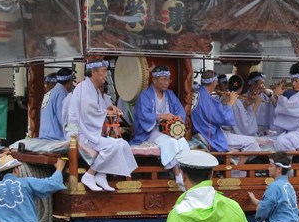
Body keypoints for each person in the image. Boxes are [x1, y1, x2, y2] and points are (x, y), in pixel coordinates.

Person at [65, 59, 137, 192]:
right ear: (93, 72)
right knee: (114, 146)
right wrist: (106, 112)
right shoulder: (83, 88)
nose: (105, 75)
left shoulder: (95, 90)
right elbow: (88, 112)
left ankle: (101, 175)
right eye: (103, 71)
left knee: (122, 144)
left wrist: (109, 108)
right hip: (79, 134)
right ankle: (90, 174)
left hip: (89, 132)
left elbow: (99, 109)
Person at [131, 65, 190, 189]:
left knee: (182, 141)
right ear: (154, 80)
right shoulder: (145, 95)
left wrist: (178, 117)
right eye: (163, 79)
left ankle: (185, 173)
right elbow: (143, 115)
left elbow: (180, 110)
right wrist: (162, 116)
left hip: (167, 130)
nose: (166, 82)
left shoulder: (170, 94)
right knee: (170, 142)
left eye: (168, 79)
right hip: (150, 131)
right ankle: (178, 175)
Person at [191, 70, 260, 158]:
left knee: (242, 146)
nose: (217, 84)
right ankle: (236, 166)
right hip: (210, 134)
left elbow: (213, 113)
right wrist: (230, 103)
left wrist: (225, 101)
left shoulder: (198, 93)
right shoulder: (207, 99)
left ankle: (235, 162)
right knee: (252, 142)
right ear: (213, 82)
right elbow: (224, 118)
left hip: (203, 130)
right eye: (216, 82)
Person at [233, 71, 275, 136]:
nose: (260, 87)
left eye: (263, 84)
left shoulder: (268, 94)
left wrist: (266, 92)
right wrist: (250, 104)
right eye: (257, 84)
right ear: (251, 84)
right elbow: (242, 116)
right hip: (252, 129)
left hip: (266, 129)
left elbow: (276, 104)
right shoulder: (244, 97)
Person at [38, 67, 74, 141]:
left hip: (45, 136)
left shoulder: (52, 92)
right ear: (71, 81)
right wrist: (77, 129)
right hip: (54, 138)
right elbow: (63, 120)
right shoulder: (61, 94)